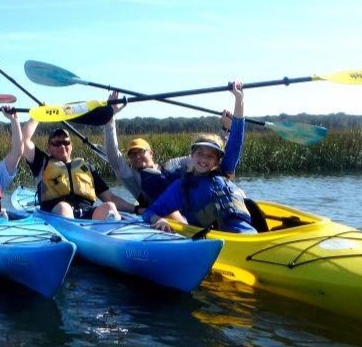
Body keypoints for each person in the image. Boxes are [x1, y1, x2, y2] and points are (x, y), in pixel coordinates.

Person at [142, 81, 257, 234]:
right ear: (192, 155)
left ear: (216, 161)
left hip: (248, 236)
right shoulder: (181, 187)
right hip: (214, 240)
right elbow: (149, 213)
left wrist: (239, 99)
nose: (204, 159)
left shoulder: (225, 169)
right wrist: (159, 220)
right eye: (200, 153)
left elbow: (236, 138)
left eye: (210, 156)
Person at [102, 91, 237, 211]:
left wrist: (226, 130)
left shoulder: (172, 164)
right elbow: (113, 156)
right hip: (163, 218)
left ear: (151, 153)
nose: (136, 156)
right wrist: (110, 118)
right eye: (132, 154)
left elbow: (206, 155)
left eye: (140, 152)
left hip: (190, 211)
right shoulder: (132, 177)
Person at [22, 120, 136, 220]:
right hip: (56, 214)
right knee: (64, 208)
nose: (62, 146)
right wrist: (37, 116)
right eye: (57, 143)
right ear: (49, 147)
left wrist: (136, 209)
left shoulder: (86, 167)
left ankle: (107, 234)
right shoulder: (42, 163)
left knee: (109, 206)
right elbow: (24, 140)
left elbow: (110, 197)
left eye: (66, 142)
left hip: (86, 214)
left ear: (71, 146)